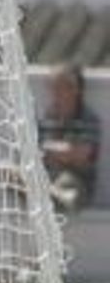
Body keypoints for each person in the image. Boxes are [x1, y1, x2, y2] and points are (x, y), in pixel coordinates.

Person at [36, 64, 100, 213]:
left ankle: (50, 195)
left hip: (75, 182)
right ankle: (45, 193)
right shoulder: (47, 117)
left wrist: (48, 149)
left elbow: (80, 155)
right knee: (7, 170)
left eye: (60, 86)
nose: (54, 92)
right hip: (48, 176)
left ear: (76, 89)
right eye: (52, 86)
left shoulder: (88, 119)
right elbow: (34, 152)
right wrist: (62, 151)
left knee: (67, 183)